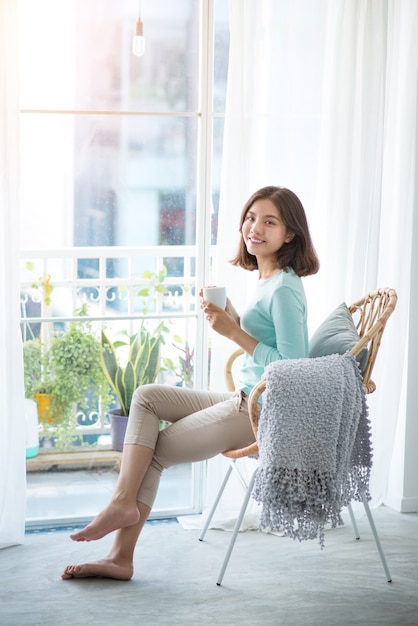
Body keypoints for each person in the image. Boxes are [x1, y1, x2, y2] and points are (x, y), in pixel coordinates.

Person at [62, 185, 319, 581]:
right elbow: (269, 343)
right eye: (251, 217)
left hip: (261, 412)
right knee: (146, 397)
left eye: (270, 222)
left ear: (290, 234)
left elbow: (293, 366)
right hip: (243, 399)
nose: (255, 228)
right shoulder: (268, 279)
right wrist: (231, 315)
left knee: (155, 450)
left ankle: (120, 548)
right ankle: (122, 505)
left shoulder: (284, 288)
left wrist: (233, 332)